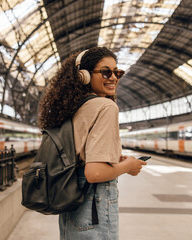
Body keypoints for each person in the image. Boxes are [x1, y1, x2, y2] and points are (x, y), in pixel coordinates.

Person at [38, 46, 147, 239]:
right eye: (105, 72)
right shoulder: (105, 106)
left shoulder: (74, 107)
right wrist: (128, 165)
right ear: (84, 76)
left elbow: (82, 156)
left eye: (117, 72)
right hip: (92, 203)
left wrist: (116, 161)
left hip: (72, 201)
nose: (113, 77)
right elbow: (95, 173)